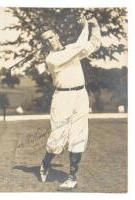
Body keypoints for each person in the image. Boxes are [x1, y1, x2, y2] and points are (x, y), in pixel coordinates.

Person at [39, 14, 101, 190]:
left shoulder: (71, 49)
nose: (49, 41)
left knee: (78, 136)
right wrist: (85, 27)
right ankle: (45, 163)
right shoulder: (51, 59)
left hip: (80, 95)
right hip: (62, 98)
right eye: (45, 40)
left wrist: (94, 26)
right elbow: (80, 46)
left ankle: (72, 177)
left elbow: (94, 44)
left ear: (57, 35)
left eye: (51, 37)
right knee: (57, 140)